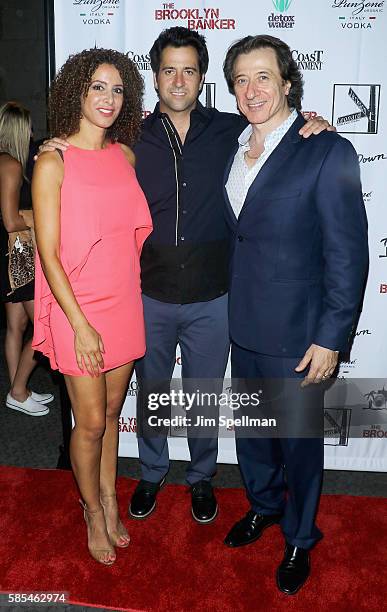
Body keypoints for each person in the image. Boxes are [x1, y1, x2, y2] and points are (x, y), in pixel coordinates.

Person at [40, 27, 332, 525]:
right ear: (154, 77)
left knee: (201, 391)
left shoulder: (230, 129)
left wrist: (311, 122)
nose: (179, 80)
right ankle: (151, 472)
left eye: (190, 70)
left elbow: (277, 129)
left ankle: (200, 477)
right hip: (144, 294)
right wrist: (56, 144)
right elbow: (82, 159)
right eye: (169, 70)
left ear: (202, 78)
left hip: (212, 294)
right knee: (151, 391)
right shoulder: (129, 137)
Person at [222, 35, 368, 594]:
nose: (252, 89)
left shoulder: (327, 150)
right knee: (255, 435)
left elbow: (348, 253)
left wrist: (332, 336)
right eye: (241, 79)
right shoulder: (233, 146)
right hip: (243, 323)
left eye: (264, 77)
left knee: (300, 445)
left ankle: (301, 537)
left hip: (299, 334)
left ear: (287, 83)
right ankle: (263, 506)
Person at [32, 48, 152, 565]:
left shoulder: (124, 156)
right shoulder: (52, 162)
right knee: (90, 422)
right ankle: (91, 511)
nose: (108, 98)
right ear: (77, 90)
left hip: (123, 301)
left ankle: (109, 496)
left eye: (118, 89)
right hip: (77, 307)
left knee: (110, 413)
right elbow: (49, 255)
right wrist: (79, 325)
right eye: (98, 86)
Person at [0, 102, 53, 416]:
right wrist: (37, 219)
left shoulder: (7, 162)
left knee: (16, 325)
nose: (33, 133)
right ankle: (18, 390)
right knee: (44, 326)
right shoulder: (10, 165)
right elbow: (10, 221)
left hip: (10, 256)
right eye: (29, 128)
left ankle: (17, 390)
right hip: (15, 257)